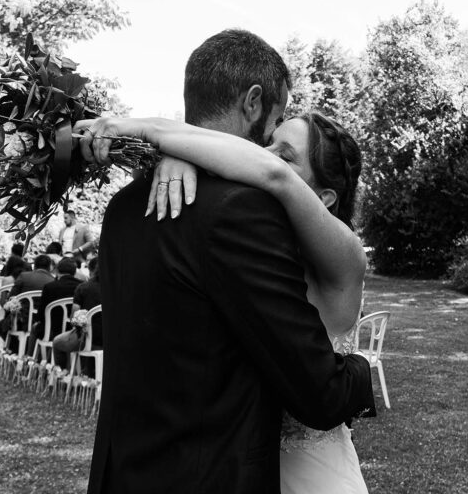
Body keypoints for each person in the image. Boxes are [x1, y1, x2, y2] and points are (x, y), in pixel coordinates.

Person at [77, 29, 375, 494]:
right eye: (273, 128)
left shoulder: (123, 207)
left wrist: (162, 139)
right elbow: (316, 388)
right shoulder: (238, 212)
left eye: (283, 150)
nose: (265, 150)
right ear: (253, 103)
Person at [34, 258, 83, 367]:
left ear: (57, 270)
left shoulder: (50, 287)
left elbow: (41, 315)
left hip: (52, 330)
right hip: (74, 330)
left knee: (35, 328)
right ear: (74, 272)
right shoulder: (82, 286)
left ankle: (32, 361)